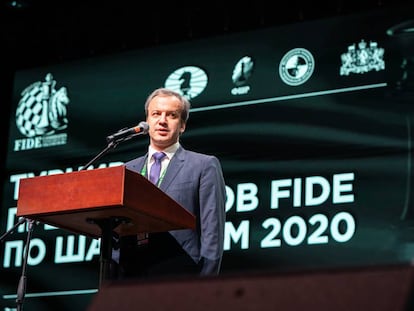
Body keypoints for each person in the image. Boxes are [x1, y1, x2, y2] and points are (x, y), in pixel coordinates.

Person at [115, 87, 226, 279]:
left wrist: (205, 288)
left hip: (180, 276)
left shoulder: (203, 165)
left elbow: (212, 233)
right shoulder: (127, 170)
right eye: (156, 114)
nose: (162, 121)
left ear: (182, 125)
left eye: (171, 115)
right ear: (147, 121)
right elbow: (115, 233)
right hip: (131, 277)